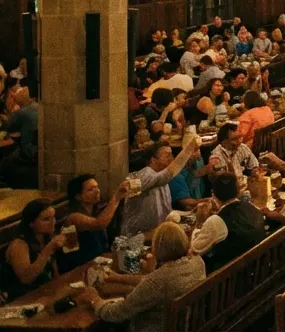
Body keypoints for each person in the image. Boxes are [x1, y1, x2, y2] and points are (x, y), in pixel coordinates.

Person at [75, 222, 205, 332]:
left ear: (157, 249)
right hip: (191, 324)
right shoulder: (197, 262)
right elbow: (153, 282)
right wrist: (118, 278)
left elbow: (116, 313)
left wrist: (94, 299)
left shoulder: (157, 281)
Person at [123, 135, 201, 235]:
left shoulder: (164, 181)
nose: (171, 158)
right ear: (153, 159)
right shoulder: (144, 174)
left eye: (171, 155)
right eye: (167, 155)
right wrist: (190, 148)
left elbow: (168, 213)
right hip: (137, 238)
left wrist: (192, 212)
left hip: (158, 233)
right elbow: (169, 172)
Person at [190, 173, 267, 271]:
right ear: (238, 192)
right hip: (258, 269)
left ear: (213, 194)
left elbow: (195, 250)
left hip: (231, 279)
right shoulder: (253, 207)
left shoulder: (216, 221)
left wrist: (199, 222)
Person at [58, 175, 120, 272]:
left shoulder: (96, 211)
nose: (97, 191)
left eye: (97, 187)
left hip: (95, 265)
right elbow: (99, 224)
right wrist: (117, 197)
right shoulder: (73, 217)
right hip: (77, 269)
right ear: (78, 196)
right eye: (91, 189)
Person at [1, 200, 59, 299]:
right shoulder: (19, 244)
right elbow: (26, 278)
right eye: (46, 219)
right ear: (31, 223)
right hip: (21, 298)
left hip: (44, 293)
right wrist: (49, 248)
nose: (53, 222)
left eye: (53, 217)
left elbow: (54, 272)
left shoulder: (46, 237)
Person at [208, 122, 259, 187]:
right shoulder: (216, 156)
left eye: (239, 137)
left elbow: (254, 164)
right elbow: (223, 183)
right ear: (224, 142)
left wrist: (255, 171)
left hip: (244, 186)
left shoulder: (242, 147)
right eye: (234, 139)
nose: (239, 141)